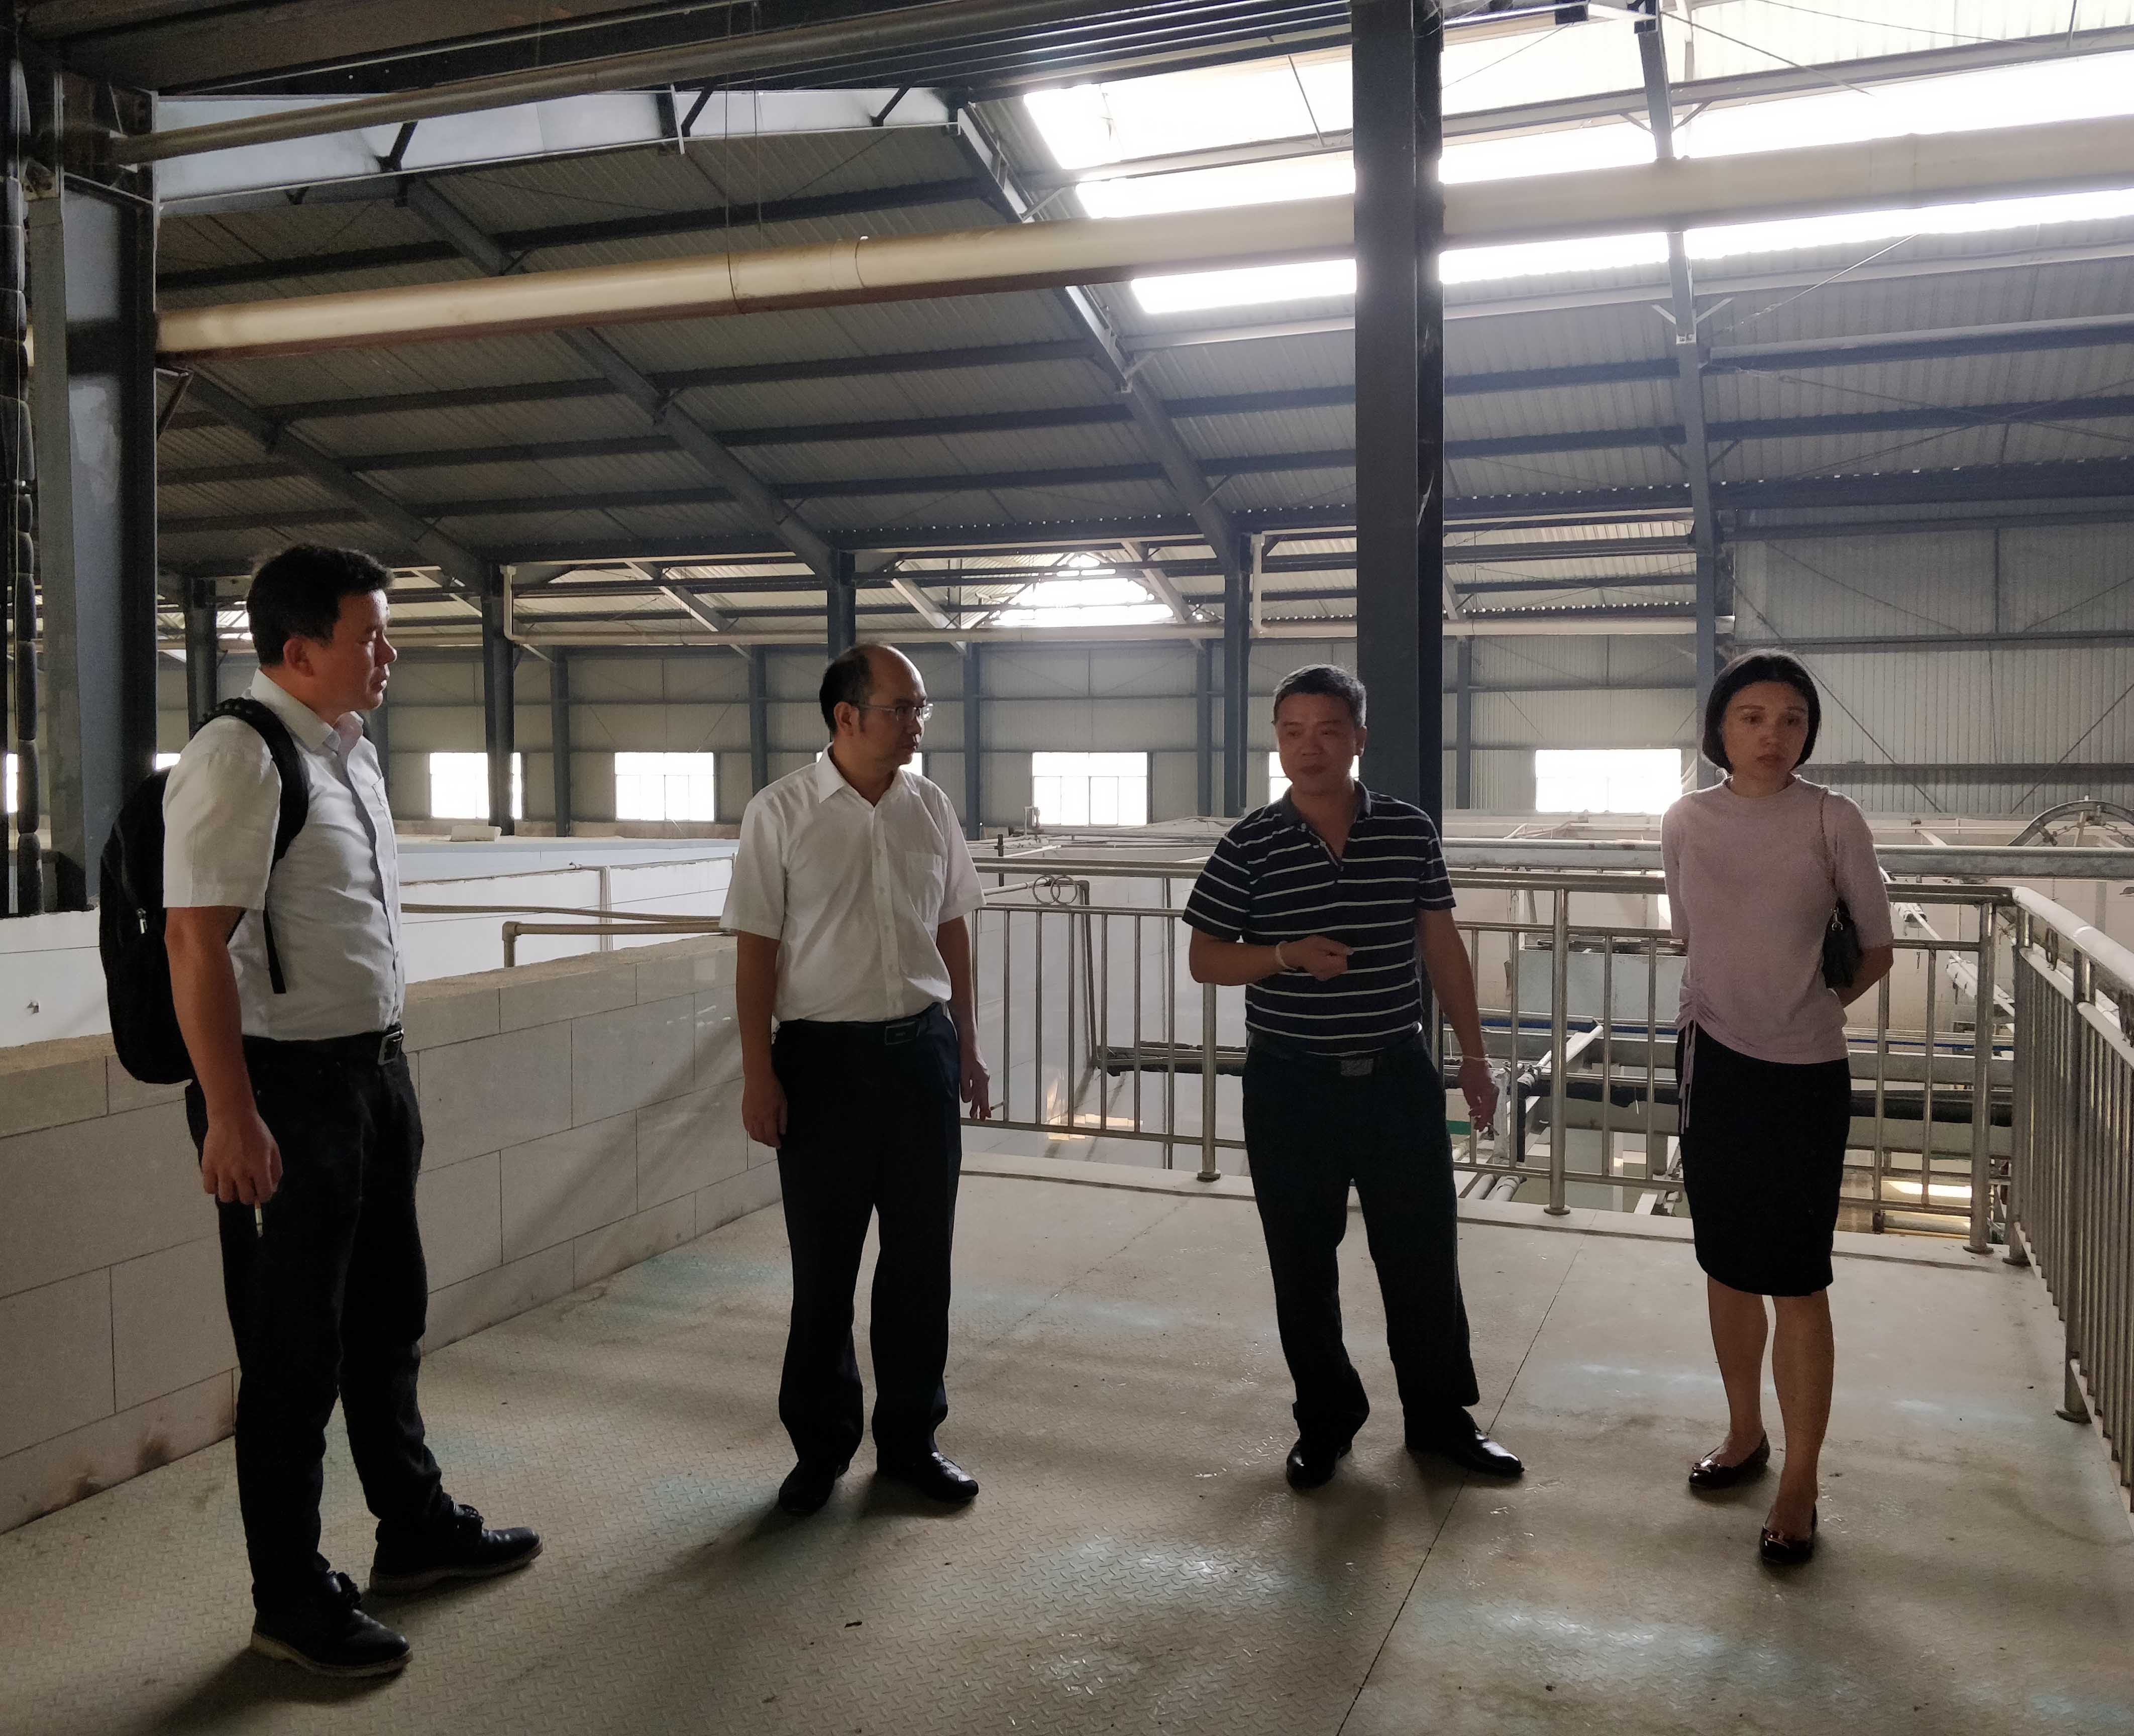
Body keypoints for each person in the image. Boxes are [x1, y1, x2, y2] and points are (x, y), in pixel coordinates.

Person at [164, 545, 538, 1678]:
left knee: (386, 1319)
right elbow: (193, 943)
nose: (390, 653)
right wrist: (231, 1115)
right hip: (285, 1093)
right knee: (294, 1355)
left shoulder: (349, 754)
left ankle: (411, 1527)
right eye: (370, 634)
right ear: (297, 650)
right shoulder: (241, 755)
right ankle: (290, 1596)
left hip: (373, 1078)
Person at [1183, 665, 1522, 1491]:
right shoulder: (1249, 844)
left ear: (1359, 738)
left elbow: (1441, 944)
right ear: (1277, 742)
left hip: (1396, 1076)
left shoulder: (1407, 829)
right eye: (1292, 732)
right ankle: (1326, 1419)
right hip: (1289, 1084)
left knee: (1423, 1253)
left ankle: (1440, 1418)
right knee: (1302, 1262)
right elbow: (1205, 958)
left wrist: (1474, 1058)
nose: (1310, 747)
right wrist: (1286, 955)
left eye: (1328, 730)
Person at [726, 642, 993, 1517]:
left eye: (920, 709)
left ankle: (912, 1442)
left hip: (921, 1058)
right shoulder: (781, 813)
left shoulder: (930, 806)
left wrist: (968, 1044)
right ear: (847, 717)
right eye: (902, 708)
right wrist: (759, 1074)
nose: (917, 724)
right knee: (825, 1269)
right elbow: (756, 952)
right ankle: (820, 1449)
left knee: (921, 1264)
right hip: (822, 1066)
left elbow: (952, 928)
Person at [1661, 651, 1894, 1566]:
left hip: (1804, 1072)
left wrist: (1809, 1009)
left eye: (1792, 719)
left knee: (1798, 1276)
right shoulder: (1686, 820)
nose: (1772, 735)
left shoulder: (1834, 819)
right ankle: (1744, 1433)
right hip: (1711, 1061)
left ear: (1809, 733)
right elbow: (1691, 933)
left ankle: (1801, 1480)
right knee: (1725, 1263)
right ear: (1719, 729)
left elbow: (1875, 946)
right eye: (1752, 717)